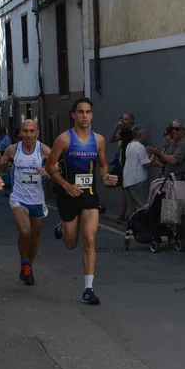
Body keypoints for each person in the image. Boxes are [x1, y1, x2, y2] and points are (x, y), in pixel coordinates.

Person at [48, 98, 117, 305]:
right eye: (80, 112)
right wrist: (66, 185)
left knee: (89, 237)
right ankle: (63, 227)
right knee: (71, 243)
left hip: (89, 195)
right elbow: (50, 166)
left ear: (92, 115)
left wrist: (106, 178)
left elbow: (103, 165)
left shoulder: (99, 140)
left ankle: (88, 289)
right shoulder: (64, 139)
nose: (85, 116)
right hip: (67, 196)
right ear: (73, 115)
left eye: (88, 112)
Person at [0, 119, 50, 286]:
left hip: (37, 199)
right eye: (25, 131)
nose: (29, 135)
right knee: (25, 231)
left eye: (32, 131)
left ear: (37, 133)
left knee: (35, 237)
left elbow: (56, 169)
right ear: (20, 133)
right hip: (18, 197)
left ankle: (28, 266)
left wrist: (48, 172)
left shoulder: (44, 150)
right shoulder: (13, 149)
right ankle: (24, 261)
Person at [149, 119, 185, 248]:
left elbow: (174, 160)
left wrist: (159, 153)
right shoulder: (173, 143)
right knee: (171, 210)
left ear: (184, 131)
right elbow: (166, 160)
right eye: (172, 128)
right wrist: (157, 155)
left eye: (177, 128)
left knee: (184, 212)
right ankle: (174, 237)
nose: (174, 131)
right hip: (170, 181)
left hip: (182, 181)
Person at [122, 125, 152, 219]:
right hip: (137, 180)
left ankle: (132, 226)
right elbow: (147, 164)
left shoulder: (129, 145)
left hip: (127, 181)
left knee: (132, 209)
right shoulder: (139, 147)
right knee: (142, 206)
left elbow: (138, 160)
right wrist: (154, 154)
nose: (146, 135)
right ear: (141, 135)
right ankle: (142, 226)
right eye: (145, 133)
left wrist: (148, 154)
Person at [110, 113, 135, 222]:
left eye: (126, 119)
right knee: (125, 188)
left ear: (131, 120)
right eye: (122, 119)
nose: (123, 121)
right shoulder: (123, 133)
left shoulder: (134, 132)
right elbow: (111, 140)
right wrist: (116, 128)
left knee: (127, 189)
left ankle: (125, 213)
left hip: (131, 164)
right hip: (123, 164)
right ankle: (124, 213)